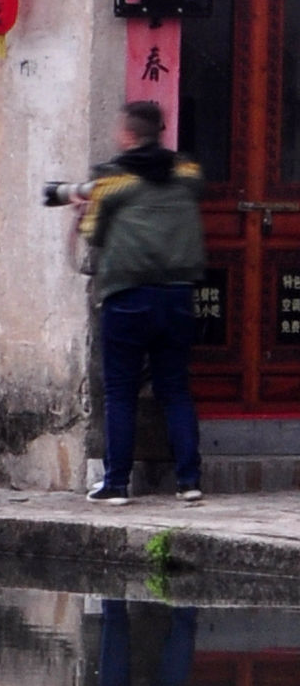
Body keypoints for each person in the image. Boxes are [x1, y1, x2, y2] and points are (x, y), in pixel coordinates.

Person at [79, 100, 205, 500]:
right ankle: (189, 482)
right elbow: (191, 180)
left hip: (128, 297)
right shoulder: (187, 173)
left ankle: (116, 484)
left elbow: (92, 234)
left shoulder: (112, 182)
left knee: (120, 392)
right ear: (160, 131)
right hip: (179, 296)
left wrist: (84, 206)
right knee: (175, 389)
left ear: (129, 135)